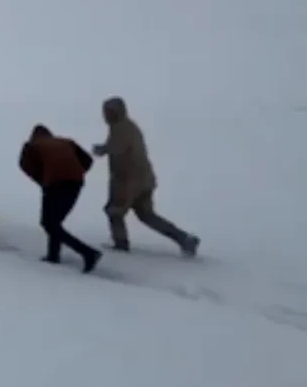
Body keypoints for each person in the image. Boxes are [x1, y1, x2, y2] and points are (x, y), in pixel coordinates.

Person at [94, 97, 200, 257]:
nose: (105, 116)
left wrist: (102, 150)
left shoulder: (121, 129)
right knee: (146, 215)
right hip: (143, 180)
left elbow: (117, 148)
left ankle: (121, 244)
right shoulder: (128, 126)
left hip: (128, 181)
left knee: (114, 211)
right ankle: (183, 238)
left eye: (108, 112)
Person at [19, 124, 101, 273]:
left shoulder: (31, 145)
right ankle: (53, 255)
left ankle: (88, 253)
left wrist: (43, 180)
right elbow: (88, 160)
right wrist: (75, 172)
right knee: (54, 222)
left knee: (48, 223)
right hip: (75, 182)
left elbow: (25, 165)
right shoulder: (66, 141)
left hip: (55, 183)